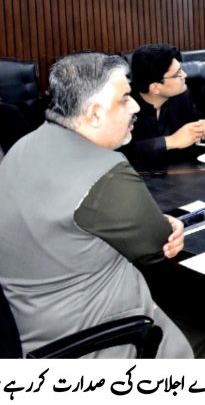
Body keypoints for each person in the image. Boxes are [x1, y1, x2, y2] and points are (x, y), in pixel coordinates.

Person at [0, 53, 192, 358]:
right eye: (125, 98)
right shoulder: (106, 171)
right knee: (200, 337)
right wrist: (168, 226)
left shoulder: (23, 146)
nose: (135, 106)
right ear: (94, 114)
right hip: (95, 336)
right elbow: (157, 247)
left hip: (28, 326)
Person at [119, 44, 205, 167]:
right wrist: (170, 141)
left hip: (179, 171)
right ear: (155, 88)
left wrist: (204, 127)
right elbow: (123, 152)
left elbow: (193, 125)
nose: (185, 75)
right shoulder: (124, 105)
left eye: (181, 69)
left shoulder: (181, 96)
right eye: (177, 74)